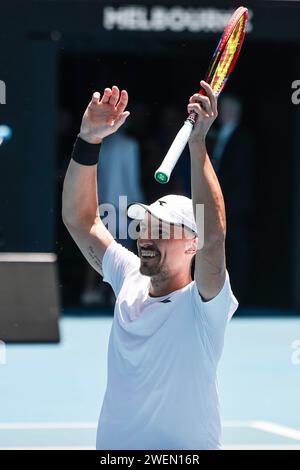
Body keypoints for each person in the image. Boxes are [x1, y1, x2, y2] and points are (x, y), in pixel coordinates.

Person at [62, 83, 238, 450]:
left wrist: (197, 143)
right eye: (143, 227)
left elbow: (214, 237)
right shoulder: (127, 276)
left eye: (161, 230)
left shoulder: (204, 305)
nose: (145, 236)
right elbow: (82, 221)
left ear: (192, 243)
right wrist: (88, 140)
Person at [210, 94, 255, 304]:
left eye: (225, 108)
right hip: (222, 205)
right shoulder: (220, 136)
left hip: (234, 205)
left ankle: (238, 294)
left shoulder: (242, 139)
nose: (221, 112)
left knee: (237, 248)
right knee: (225, 248)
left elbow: (236, 173)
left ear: (234, 110)